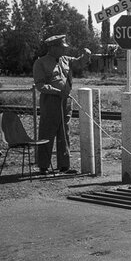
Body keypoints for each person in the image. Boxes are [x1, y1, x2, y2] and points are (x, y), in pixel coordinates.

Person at [32, 34, 91, 174]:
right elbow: (40, 85)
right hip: (50, 102)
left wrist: (86, 55)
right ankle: (43, 166)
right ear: (52, 48)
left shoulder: (66, 60)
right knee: (47, 133)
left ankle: (64, 166)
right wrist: (57, 91)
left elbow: (79, 63)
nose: (64, 50)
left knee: (64, 133)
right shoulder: (40, 63)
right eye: (61, 47)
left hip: (66, 102)